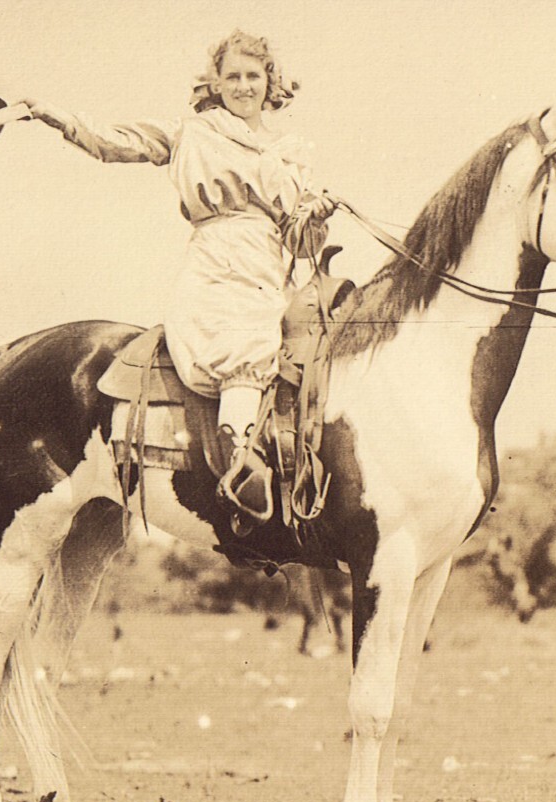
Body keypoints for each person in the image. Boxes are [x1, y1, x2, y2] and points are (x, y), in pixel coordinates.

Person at [23, 30, 337, 519]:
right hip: (217, 268)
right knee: (244, 337)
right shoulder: (194, 133)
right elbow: (115, 142)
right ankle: (239, 463)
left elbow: (299, 244)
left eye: (253, 75)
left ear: (269, 81)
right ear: (216, 82)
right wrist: (57, 117)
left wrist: (312, 218)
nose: (243, 86)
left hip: (272, 271)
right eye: (232, 76)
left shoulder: (293, 152)